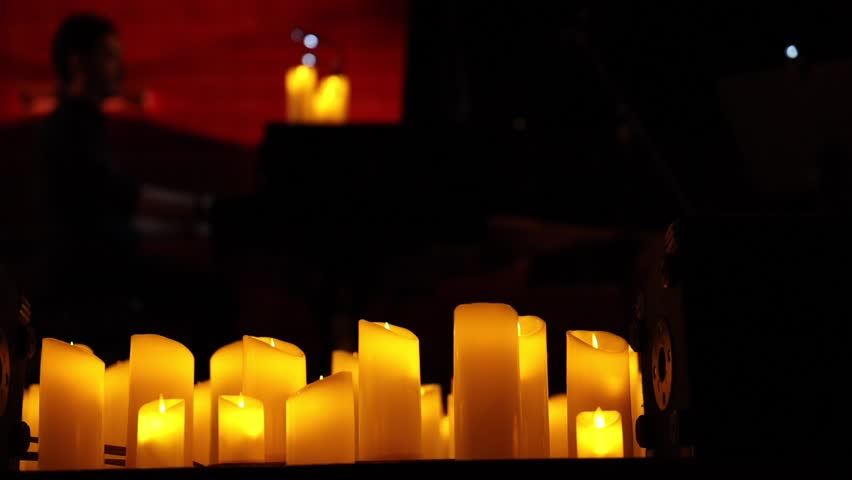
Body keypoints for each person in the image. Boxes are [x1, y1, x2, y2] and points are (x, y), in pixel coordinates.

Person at [30, 13, 219, 370]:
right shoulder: (71, 128)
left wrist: (191, 224)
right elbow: (117, 205)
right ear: (78, 62)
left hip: (100, 264)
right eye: (109, 55)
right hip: (90, 276)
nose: (120, 67)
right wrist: (200, 211)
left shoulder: (80, 124)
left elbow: (113, 212)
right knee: (208, 296)